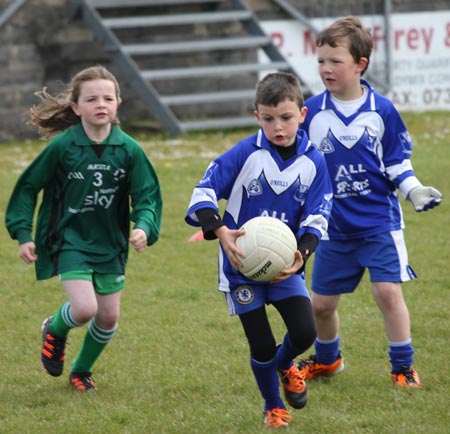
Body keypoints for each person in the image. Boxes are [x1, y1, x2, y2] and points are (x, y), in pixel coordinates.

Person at [296, 16, 443, 388]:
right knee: (321, 306)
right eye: (321, 62)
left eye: (335, 61)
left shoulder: (382, 111)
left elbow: (397, 162)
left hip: (379, 224)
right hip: (331, 227)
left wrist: (413, 190)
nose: (326, 69)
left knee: (388, 294)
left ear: (360, 65)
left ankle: (402, 367)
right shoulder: (310, 113)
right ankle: (328, 361)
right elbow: (297, 163)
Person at [185, 72, 333, 428]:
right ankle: (272, 406)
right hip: (241, 267)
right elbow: (203, 192)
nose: (277, 127)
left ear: (302, 114)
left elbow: (319, 213)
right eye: (268, 119)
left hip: (285, 263)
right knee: (261, 344)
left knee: (304, 333)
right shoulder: (245, 153)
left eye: (285, 117)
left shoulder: (314, 161)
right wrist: (219, 230)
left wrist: (302, 253)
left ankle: (286, 365)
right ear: (257, 117)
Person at [5, 65, 162, 391]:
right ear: (76, 107)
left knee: (108, 317)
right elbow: (28, 187)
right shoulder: (62, 148)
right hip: (68, 238)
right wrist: (24, 233)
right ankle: (55, 328)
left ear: (118, 102)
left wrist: (144, 226)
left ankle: (80, 371)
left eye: (108, 97)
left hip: (110, 242)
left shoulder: (130, 150)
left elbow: (146, 196)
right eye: (91, 99)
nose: (101, 104)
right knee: (86, 309)